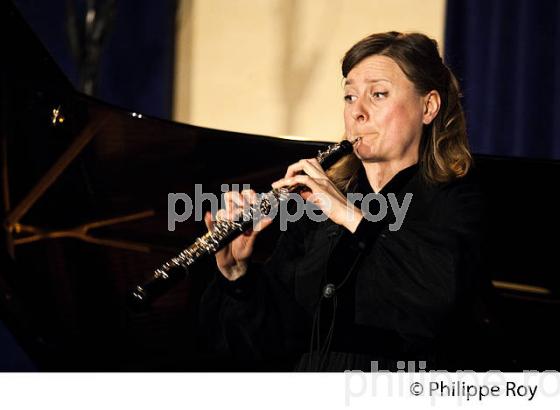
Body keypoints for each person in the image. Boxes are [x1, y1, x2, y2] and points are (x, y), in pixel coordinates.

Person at [199, 31, 488, 371]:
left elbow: (437, 300)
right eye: (350, 97)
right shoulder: (315, 212)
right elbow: (271, 344)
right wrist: (237, 275)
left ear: (428, 107)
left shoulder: (456, 200)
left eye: (378, 94)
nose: (358, 112)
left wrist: (348, 215)